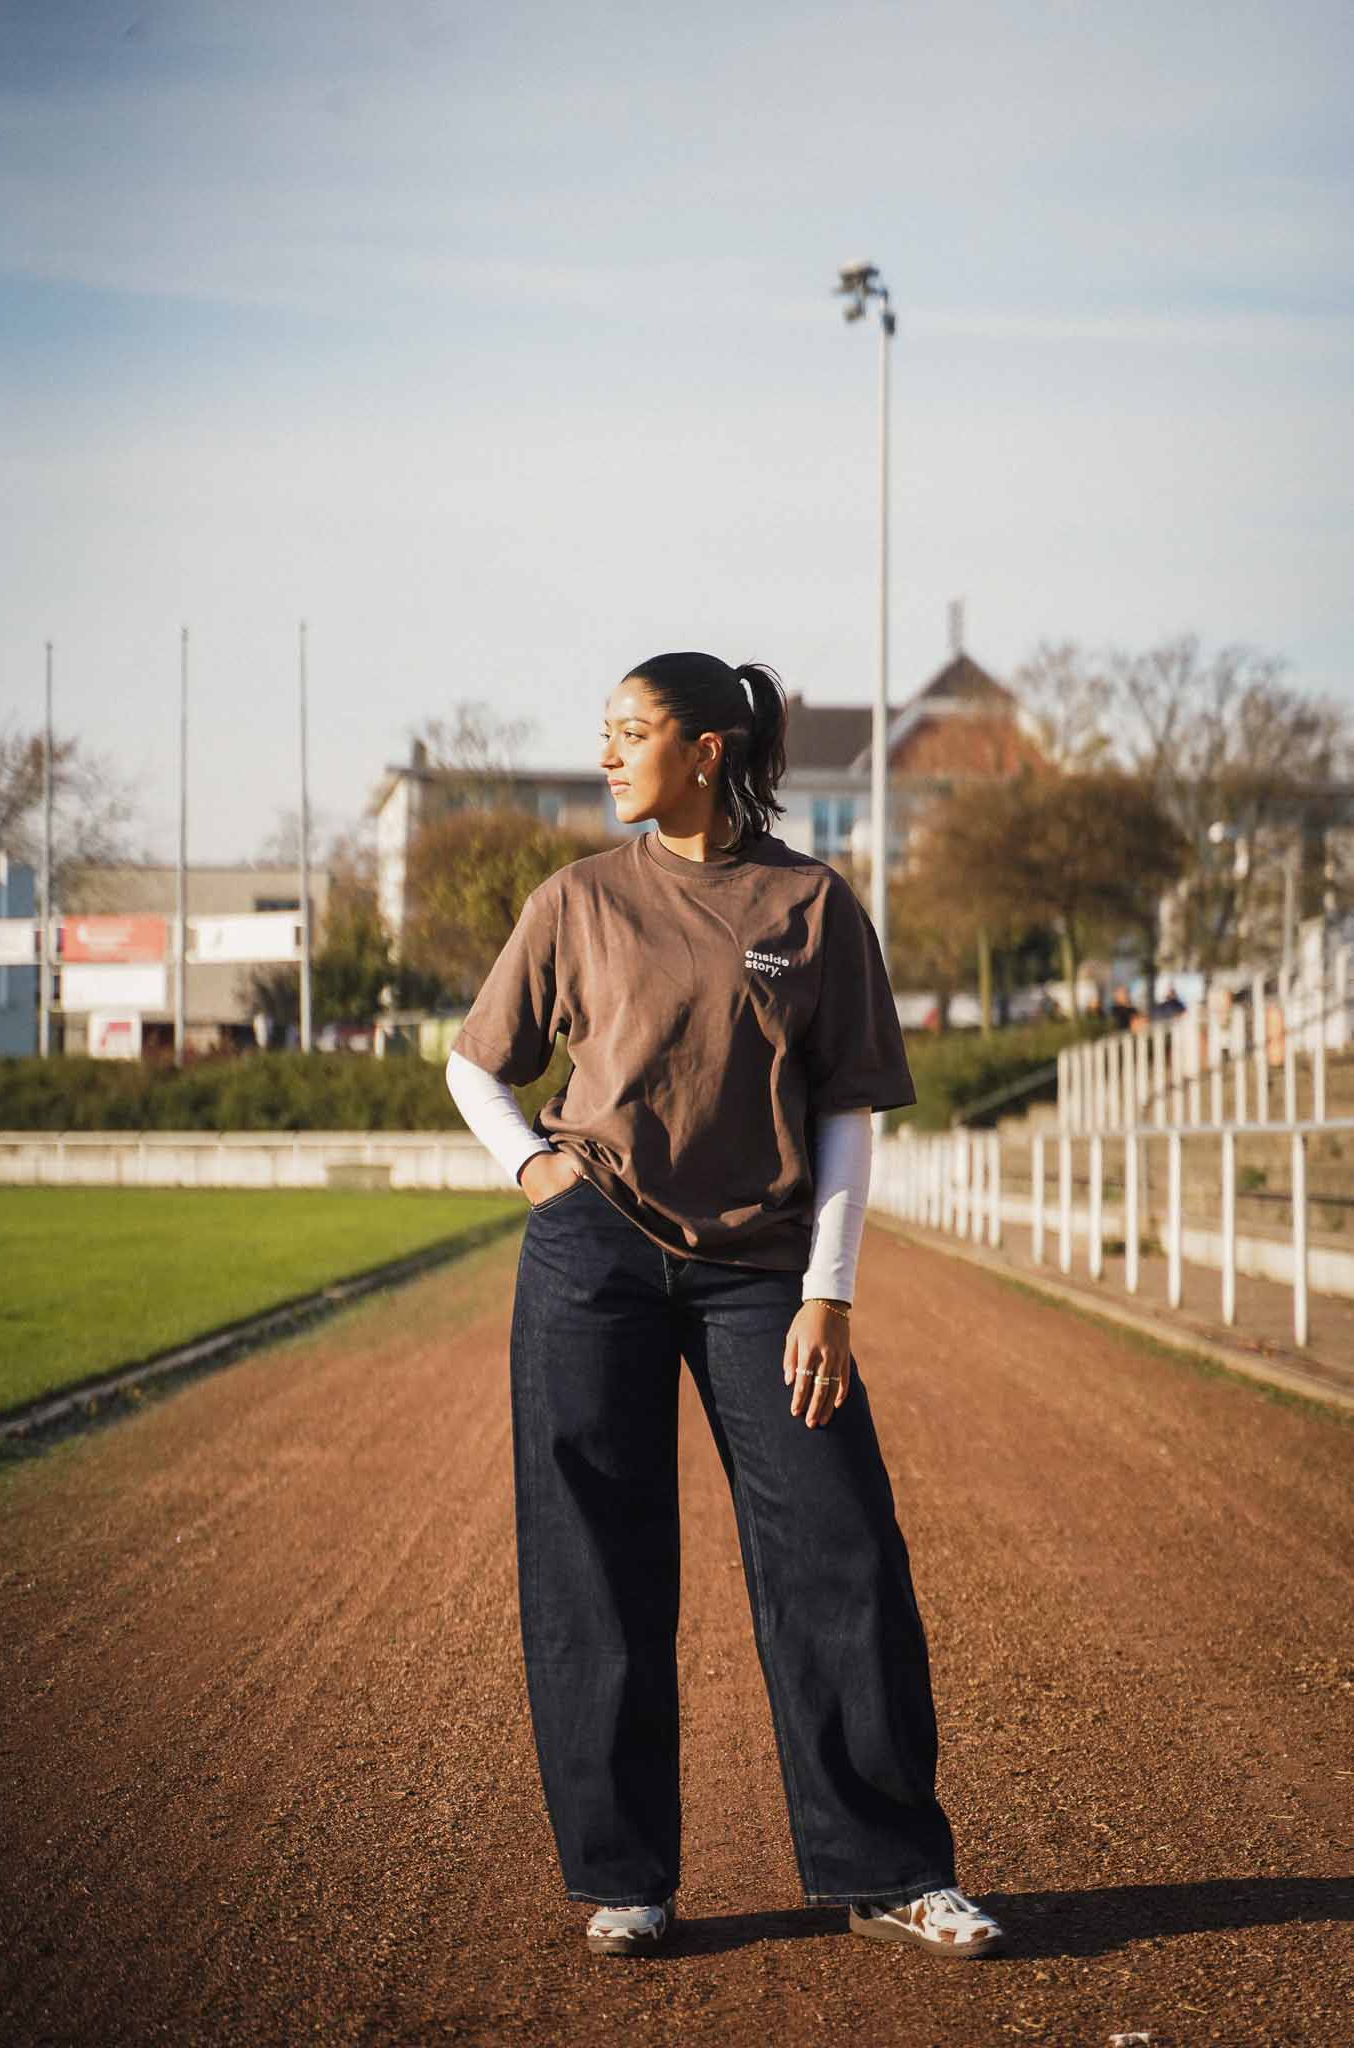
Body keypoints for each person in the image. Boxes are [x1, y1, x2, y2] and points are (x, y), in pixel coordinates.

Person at [445, 652, 1004, 1962]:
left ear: (705, 748)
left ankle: (890, 1868)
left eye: (630, 732)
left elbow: (846, 1111)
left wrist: (830, 1293)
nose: (606, 753)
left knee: (840, 1551)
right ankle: (623, 1878)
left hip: (767, 1279)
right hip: (592, 1261)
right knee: (594, 1564)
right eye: (604, 731)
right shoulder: (575, 898)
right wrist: (534, 1169)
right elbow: (478, 1068)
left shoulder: (809, 903)